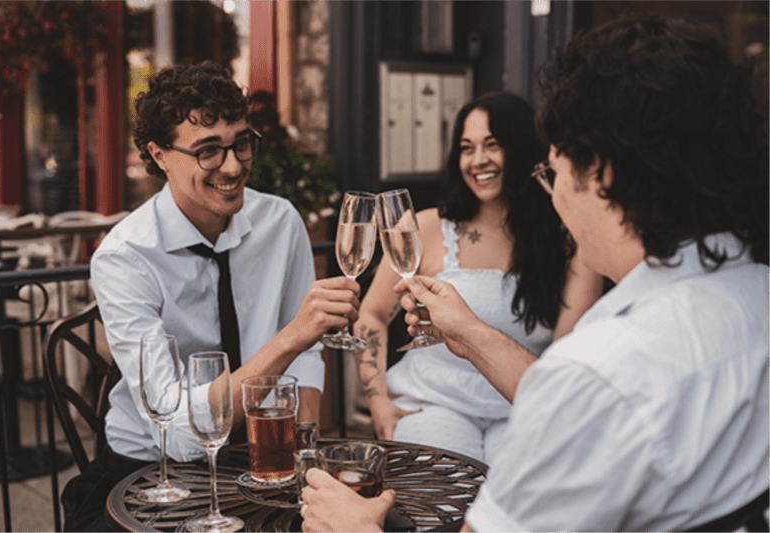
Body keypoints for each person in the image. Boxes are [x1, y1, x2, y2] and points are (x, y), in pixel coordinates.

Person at [301, 15, 769, 532]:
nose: (555, 196)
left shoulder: (595, 375)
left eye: (554, 171)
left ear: (602, 174)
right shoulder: (757, 295)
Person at [62, 62, 361, 533]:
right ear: (160, 155)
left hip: (262, 454)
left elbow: (307, 358)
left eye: (241, 143)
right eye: (208, 151)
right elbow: (179, 433)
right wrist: (290, 339)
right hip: (150, 471)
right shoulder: (125, 256)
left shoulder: (279, 222)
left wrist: (302, 454)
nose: (233, 166)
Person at [353, 92, 602, 463]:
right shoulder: (425, 227)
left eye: (492, 145)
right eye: (466, 148)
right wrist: (378, 403)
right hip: (431, 402)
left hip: (521, 407)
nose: (477, 160)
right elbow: (371, 315)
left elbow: (564, 359)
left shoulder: (569, 242)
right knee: (445, 503)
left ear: (521, 149)